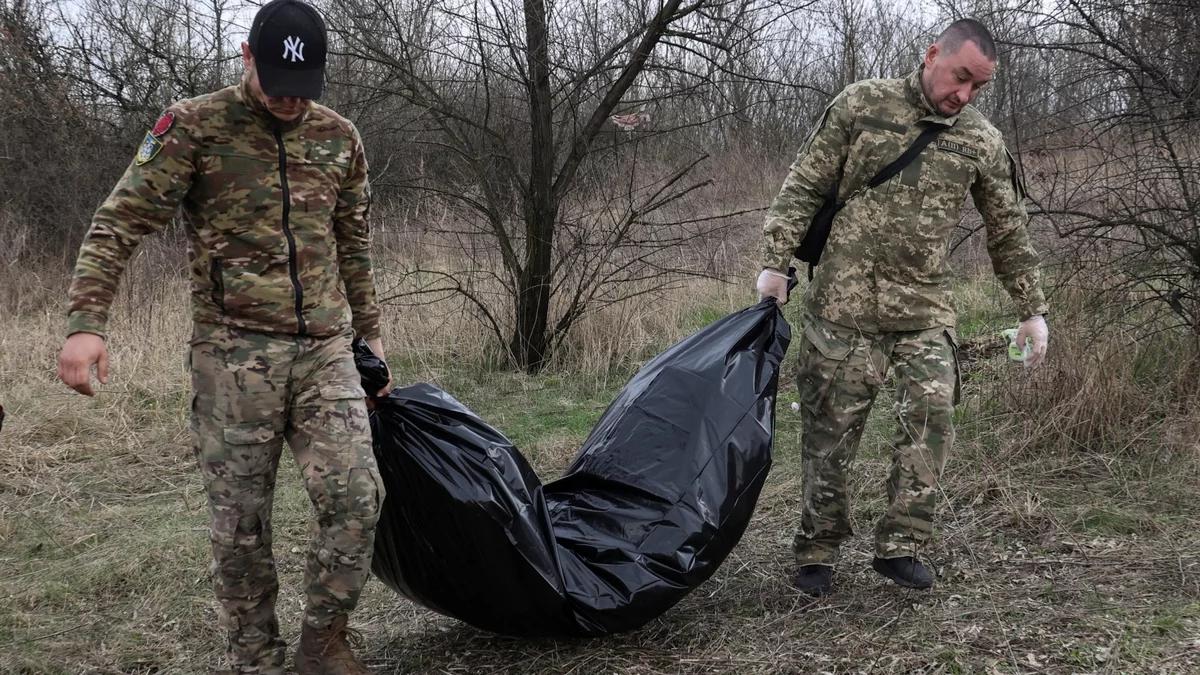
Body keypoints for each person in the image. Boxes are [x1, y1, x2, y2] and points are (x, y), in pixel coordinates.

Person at [56, 1, 389, 671]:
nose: (291, 100)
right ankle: (256, 659)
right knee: (241, 530)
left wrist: (372, 337)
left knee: (359, 497)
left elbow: (352, 241)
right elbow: (117, 223)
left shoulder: (338, 137)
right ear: (246, 59)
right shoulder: (194, 127)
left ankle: (324, 640)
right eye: (276, 84)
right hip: (233, 356)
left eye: (304, 87)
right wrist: (87, 324)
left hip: (325, 350)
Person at [755, 18, 1049, 597]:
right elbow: (804, 185)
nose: (964, 94)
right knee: (830, 434)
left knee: (931, 423)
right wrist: (775, 263)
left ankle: (902, 545)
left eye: (978, 87)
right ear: (932, 54)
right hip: (844, 307)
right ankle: (817, 549)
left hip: (925, 309)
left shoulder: (981, 141)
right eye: (960, 77)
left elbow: (1008, 230)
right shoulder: (862, 104)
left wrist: (1031, 309)